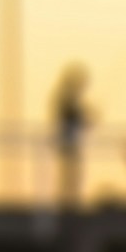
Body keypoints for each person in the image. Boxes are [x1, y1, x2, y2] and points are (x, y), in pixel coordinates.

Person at [49, 64, 92, 207]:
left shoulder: (64, 96)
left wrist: (85, 118)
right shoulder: (67, 97)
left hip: (68, 143)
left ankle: (69, 202)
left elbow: (77, 119)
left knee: (71, 175)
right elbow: (73, 117)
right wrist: (86, 117)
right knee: (71, 175)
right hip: (68, 143)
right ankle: (69, 204)